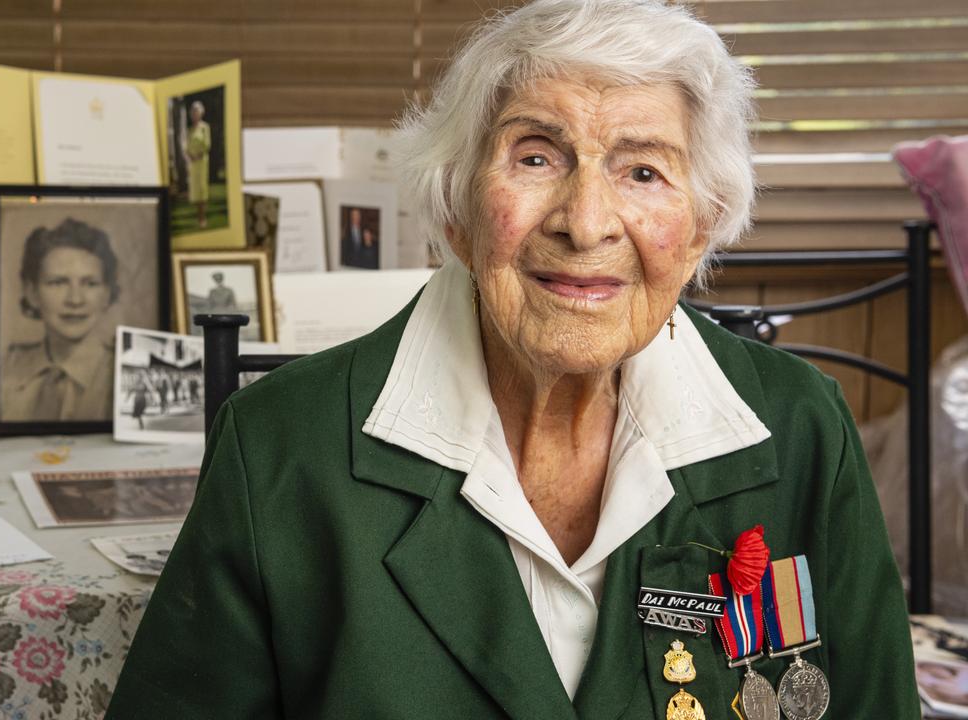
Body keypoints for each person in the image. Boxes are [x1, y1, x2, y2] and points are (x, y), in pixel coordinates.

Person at [107, 1, 920, 718]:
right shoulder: (281, 448)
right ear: (458, 207)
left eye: (643, 170)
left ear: (700, 228)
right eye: (536, 157)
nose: (587, 221)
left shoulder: (799, 428)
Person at [0, 217, 119, 423]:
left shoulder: (124, 372)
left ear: (107, 294)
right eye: (57, 283)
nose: (75, 300)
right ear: (32, 292)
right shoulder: (7, 367)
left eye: (90, 283)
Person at [184, 100, 212, 229]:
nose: (195, 114)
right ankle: (198, 218)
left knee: (202, 190)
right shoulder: (189, 130)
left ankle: (203, 218)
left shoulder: (205, 127)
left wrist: (198, 155)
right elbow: (186, 146)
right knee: (195, 191)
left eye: (197, 112)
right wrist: (190, 155)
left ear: (201, 113)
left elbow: (207, 144)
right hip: (193, 164)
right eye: (193, 112)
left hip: (202, 162)